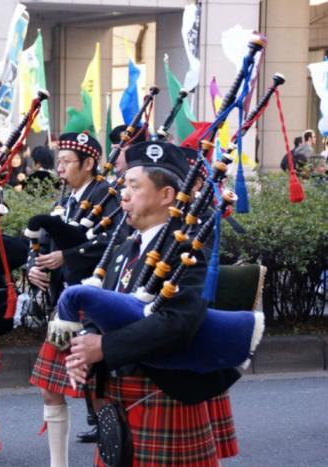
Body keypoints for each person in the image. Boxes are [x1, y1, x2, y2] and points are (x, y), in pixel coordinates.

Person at [65, 141, 240, 466]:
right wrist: (84, 350)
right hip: (121, 398)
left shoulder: (186, 251)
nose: (124, 195)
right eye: (124, 185)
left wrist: (105, 346)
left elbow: (179, 323)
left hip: (162, 396)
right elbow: (105, 308)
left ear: (167, 196)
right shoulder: (125, 250)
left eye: (134, 186)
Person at [27, 131, 122, 466]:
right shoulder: (66, 199)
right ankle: (58, 463)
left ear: (89, 162)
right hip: (65, 307)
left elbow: (116, 241)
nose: (60, 169)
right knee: (50, 385)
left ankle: (109, 456)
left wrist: (68, 256)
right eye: (59, 162)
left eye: (67, 162)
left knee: (100, 389)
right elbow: (42, 239)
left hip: (97, 304)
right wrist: (33, 268)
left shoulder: (108, 195)